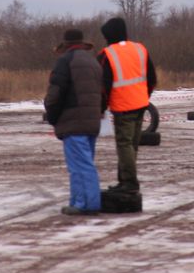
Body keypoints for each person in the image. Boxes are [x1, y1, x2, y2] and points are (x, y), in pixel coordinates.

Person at [44, 29, 104, 216]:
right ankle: (78, 201)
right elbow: (103, 93)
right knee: (84, 162)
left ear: (66, 45)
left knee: (80, 165)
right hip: (92, 122)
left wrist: (52, 116)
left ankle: (86, 204)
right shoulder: (93, 62)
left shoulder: (65, 62)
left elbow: (55, 94)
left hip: (73, 122)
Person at [97, 17, 157, 193]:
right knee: (132, 145)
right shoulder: (140, 49)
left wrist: (101, 109)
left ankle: (129, 183)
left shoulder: (107, 54)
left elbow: (103, 87)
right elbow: (152, 79)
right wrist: (143, 96)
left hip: (123, 107)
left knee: (124, 145)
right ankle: (124, 180)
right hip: (141, 105)